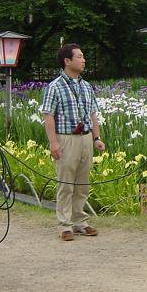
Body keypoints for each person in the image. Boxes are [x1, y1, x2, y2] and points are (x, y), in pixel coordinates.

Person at [40, 44, 106, 241]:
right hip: (66, 138)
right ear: (67, 61)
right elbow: (48, 116)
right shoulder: (55, 86)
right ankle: (64, 225)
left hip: (85, 138)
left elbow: (93, 114)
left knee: (82, 183)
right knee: (66, 183)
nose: (83, 60)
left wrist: (97, 138)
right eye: (79, 56)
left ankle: (80, 221)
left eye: (83, 56)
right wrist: (53, 143)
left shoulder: (86, 86)